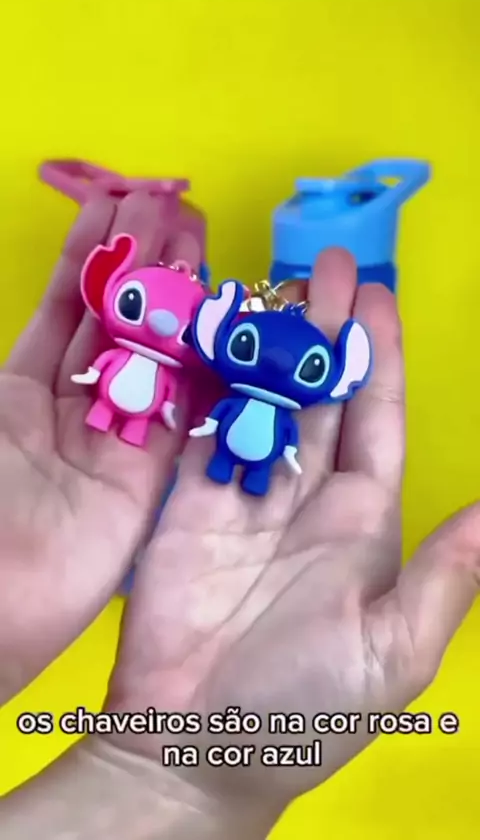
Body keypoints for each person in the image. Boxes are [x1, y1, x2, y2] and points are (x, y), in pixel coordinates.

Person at [0, 191, 478, 840]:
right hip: (171, 414)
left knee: (240, 460)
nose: (158, 323)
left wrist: (179, 781)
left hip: (242, 440)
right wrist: (178, 784)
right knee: (206, 445)